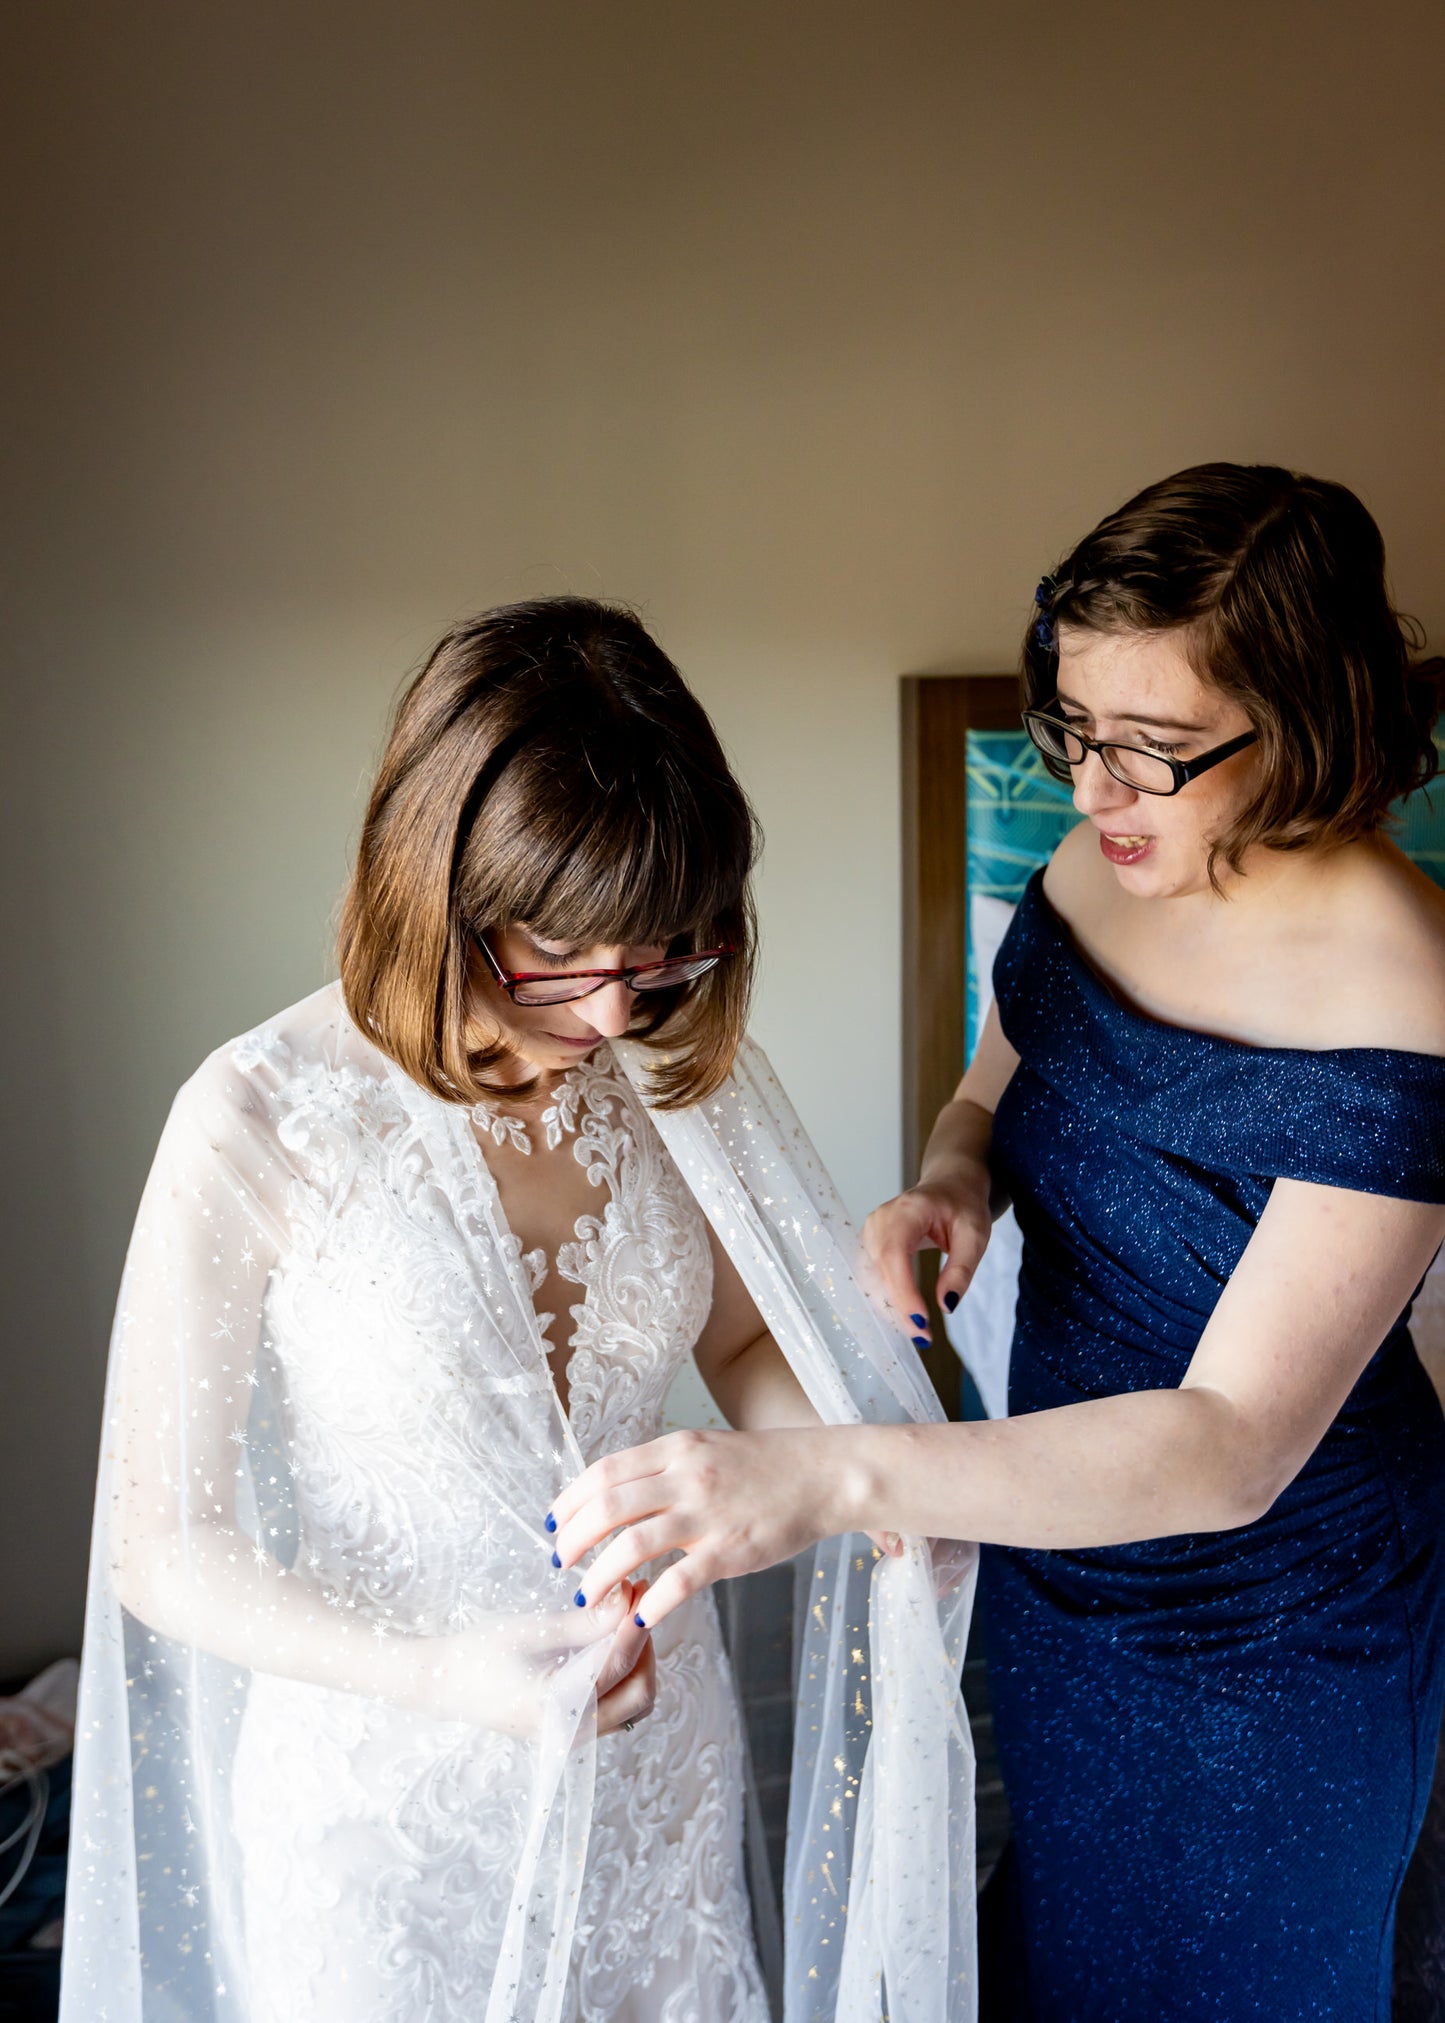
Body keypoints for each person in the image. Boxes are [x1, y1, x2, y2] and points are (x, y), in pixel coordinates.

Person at [551, 465, 1445, 2019]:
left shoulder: (1404, 990)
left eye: (1155, 752)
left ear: (1303, 722)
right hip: (1061, 1560)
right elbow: (984, 1096)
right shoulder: (1088, 876)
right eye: (1075, 730)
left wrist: (822, 1474)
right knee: (1067, 1948)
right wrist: (947, 1186)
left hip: (1282, 1629)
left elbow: (1229, 1446)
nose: (1094, 791)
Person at [62, 597, 833, 2023]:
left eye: (659, 952)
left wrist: (826, 1477)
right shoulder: (257, 1116)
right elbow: (165, 1548)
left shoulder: (658, 1076)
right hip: (381, 1793)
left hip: (655, 1767)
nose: (611, 1014)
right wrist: (440, 1679)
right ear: (439, 890)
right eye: (561, 951)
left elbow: (736, 1341)